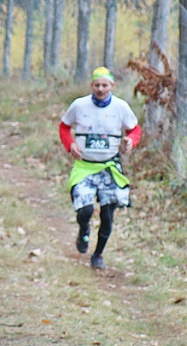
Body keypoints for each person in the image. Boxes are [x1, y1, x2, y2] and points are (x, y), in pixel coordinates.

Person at [59, 66, 141, 270]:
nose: (101, 89)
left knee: (107, 215)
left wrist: (130, 141)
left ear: (112, 86)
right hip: (84, 166)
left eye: (105, 85)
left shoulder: (121, 107)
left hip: (109, 167)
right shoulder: (79, 105)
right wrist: (71, 144)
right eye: (97, 85)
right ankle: (83, 229)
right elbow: (64, 127)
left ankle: (98, 255)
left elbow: (135, 130)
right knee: (85, 210)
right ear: (91, 86)